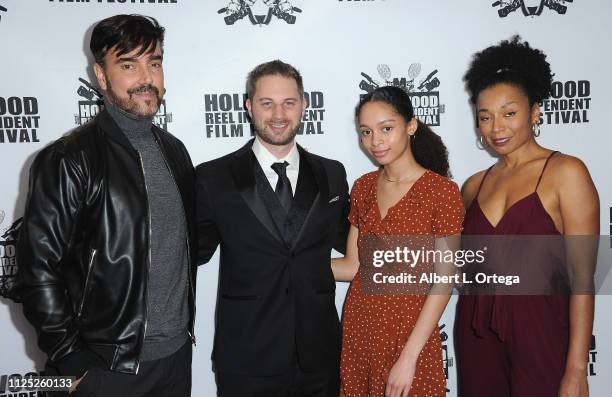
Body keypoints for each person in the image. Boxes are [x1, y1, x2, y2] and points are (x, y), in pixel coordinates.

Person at [16, 14, 197, 397]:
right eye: (128, 65)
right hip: (104, 367)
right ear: (101, 75)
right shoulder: (70, 158)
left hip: (176, 359)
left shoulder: (175, 151)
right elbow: (36, 269)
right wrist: (71, 360)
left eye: (155, 63)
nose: (146, 77)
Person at [195, 60, 350, 397]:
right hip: (246, 358)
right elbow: (186, 254)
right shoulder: (213, 178)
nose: (279, 113)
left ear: (304, 105)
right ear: (249, 106)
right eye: (267, 103)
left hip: (319, 358)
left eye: (289, 103)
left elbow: (357, 246)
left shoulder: (332, 174)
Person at [455, 36, 598, 397]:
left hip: (541, 332)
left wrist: (577, 370)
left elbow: (583, 278)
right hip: (477, 334)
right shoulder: (472, 186)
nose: (496, 127)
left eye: (509, 113)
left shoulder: (566, 172)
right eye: (484, 117)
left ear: (535, 111)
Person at [332, 86, 464, 397]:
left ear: (411, 125)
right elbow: (354, 266)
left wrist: (408, 357)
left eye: (386, 129)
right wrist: (290, 265)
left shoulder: (441, 192)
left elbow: (444, 281)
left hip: (409, 334)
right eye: (365, 132)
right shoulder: (362, 187)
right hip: (360, 327)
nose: (375, 141)